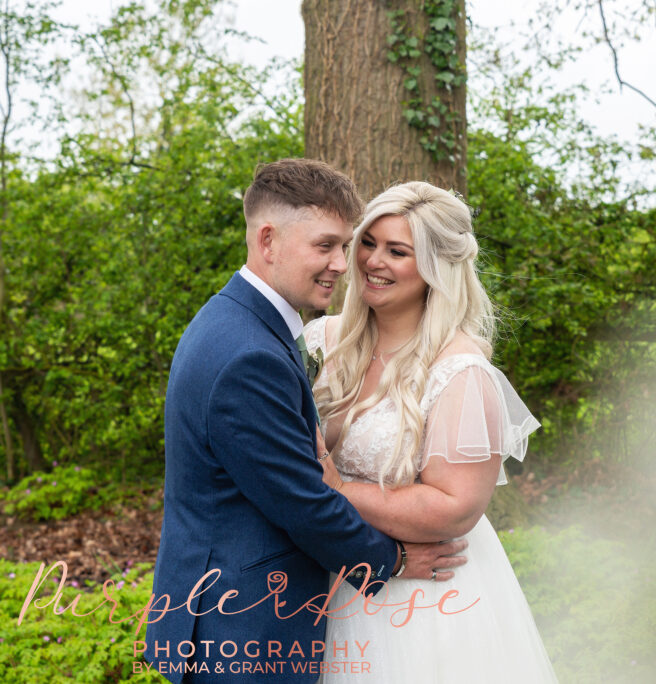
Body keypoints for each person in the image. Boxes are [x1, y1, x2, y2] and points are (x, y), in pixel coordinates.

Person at [146, 160, 464, 683]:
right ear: (268, 240)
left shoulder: (237, 321)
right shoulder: (249, 353)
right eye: (325, 245)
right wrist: (397, 561)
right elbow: (303, 501)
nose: (343, 264)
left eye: (345, 246)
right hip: (245, 628)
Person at [304, 181, 558, 682]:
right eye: (369, 243)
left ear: (435, 268)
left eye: (397, 251)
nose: (373, 261)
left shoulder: (461, 372)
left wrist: (332, 489)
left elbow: (454, 507)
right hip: (325, 577)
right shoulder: (322, 341)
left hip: (421, 598)